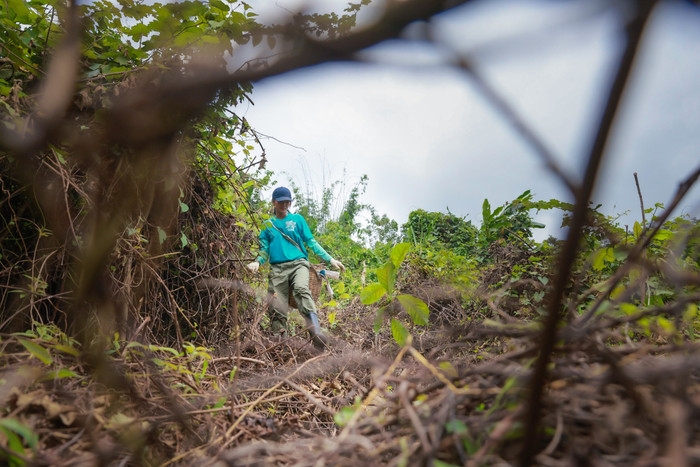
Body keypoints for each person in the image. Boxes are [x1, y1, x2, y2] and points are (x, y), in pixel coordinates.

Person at [246, 186, 346, 348]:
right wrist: (257, 262)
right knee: (276, 302)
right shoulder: (267, 225)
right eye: (281, 201)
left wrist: (330, 258)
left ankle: (316, 333)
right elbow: (264, 251)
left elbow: (311, 242)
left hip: (299, 264)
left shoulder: (298, 220)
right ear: (274, 202)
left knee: (301, 289)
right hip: (277, 268)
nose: (285, 205)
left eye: (288, 201)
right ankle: (281, 343)